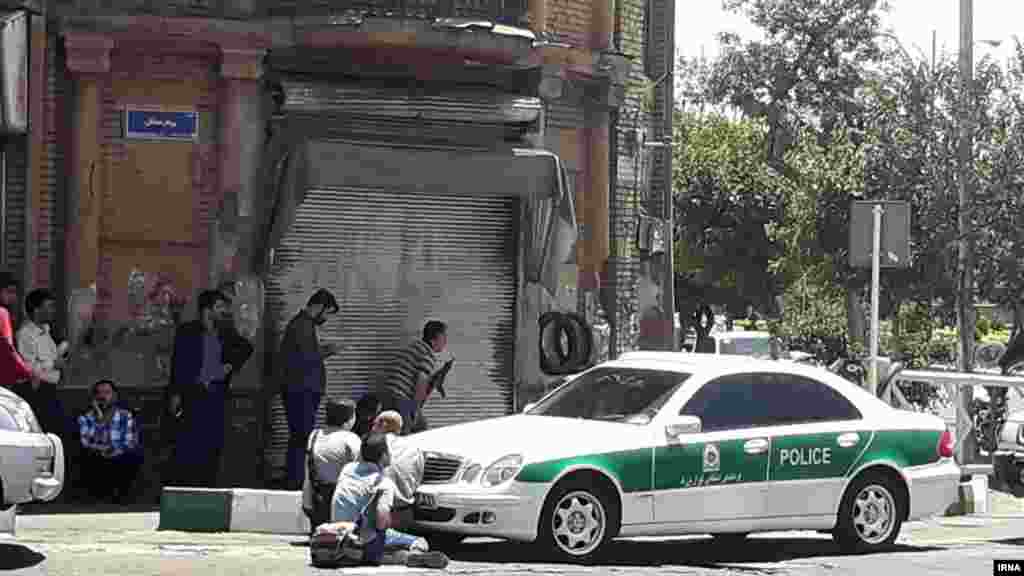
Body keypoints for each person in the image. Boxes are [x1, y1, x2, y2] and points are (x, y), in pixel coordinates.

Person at [168, 289, 253, 487]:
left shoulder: (226, 332)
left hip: (215, 395)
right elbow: (178, 364)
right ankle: (187, 487)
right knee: (188, 444)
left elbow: (246, 348)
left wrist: (229, 365)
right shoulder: (188, 331)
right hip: (192, 394)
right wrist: (175, 394)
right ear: (207, 310)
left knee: (212, 444)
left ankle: (208, 486)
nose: (224, 311)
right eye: (219, 306)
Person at [329, 432, 448, 568]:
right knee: (420, 542)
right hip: (363, 540)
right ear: (384, 456)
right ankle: (404, 557)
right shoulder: (384, 484)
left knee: (378, 538)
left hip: (338, 536)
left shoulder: (347, 470)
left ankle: (393, 556)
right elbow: (381, 523)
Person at [277, 289, 342, 489]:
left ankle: (295, 480)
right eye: (327, 313)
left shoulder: (304, 325)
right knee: (301, 437)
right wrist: (327, 351)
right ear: (319, 307)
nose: (326, 319)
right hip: (300, 392)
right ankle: (295, 482)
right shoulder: (302, 326)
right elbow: (306, 358)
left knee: (300, 437)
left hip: (302, 391)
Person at [15, 288, 71, 437]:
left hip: (51, 391)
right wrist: (54, 364)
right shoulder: (25, 334)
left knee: (59, 434)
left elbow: (51, 359)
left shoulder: (47, 331)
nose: (53, 311)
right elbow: (27, 368)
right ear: (36, 310)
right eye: (49, 306)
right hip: (37, 393)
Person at [376, 321, 448, 435]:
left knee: (420, 425)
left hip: (387, 395)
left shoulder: (414, 347)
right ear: (434, 339)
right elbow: (421, 382)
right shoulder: (427, 354)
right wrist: (415, 409)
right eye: (443, 338)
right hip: (399, 398)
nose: (445, 342)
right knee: (406, 433)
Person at [77, 379, 142, 503]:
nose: (103, 396)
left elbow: (130, 441)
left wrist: (115, 450)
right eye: (99, 393)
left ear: (114, 396)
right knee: (88, 457)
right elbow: (85, 443)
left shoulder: (125, 415)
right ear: (94, 398)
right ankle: (98, 496)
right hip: (98, 456)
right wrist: (100, 418)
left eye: (107, 392)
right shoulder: (86, 418)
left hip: (120, 455)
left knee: (133, 455)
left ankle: (123, 497)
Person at [303, 400, 361, 529]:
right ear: (349, 419)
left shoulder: (314, 435)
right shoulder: (351, 439)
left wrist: (306, 500)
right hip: (343, 502)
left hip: (317, 500)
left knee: (321, 536)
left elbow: (308, 471)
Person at [371, 411, 425, 529]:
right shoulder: (414, 448)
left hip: (376, 511)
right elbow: (418, 476)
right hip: (403, 512)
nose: (372, 428)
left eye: (374, 424)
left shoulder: (371, 445)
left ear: (383, 425)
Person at [0, 272, 40, 390]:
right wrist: (28, 372)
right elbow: (9, 348)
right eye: (9, 292)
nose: (13, 297)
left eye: (15, 293)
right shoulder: (2, 313)